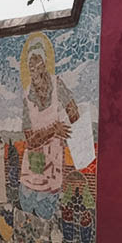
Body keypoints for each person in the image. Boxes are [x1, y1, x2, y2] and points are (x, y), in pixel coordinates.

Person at [19, 33, 79, 219]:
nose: (35, 72)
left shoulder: (57, 85)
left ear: (45, 66)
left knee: (48, 215)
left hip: (54, 165)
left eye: (39, 66)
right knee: (29, 213)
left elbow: (74, 113)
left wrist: (75, 132)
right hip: (32, 168)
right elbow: (30, 140)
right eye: (31, 68)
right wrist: (54, 130)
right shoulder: (28, 99)